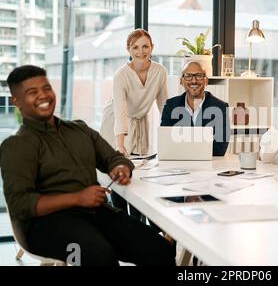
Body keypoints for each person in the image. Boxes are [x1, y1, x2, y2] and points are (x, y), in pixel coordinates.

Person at [0, 65, 175, 266]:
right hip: (47, 225)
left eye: (46, 88)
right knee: (100, 256)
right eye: (32, 92)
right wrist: (78, 198)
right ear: (16, 101)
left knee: (159, 249)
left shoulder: (79, 130)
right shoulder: (16, 145)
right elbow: (21, 205)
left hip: (95, 213)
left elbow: (113, 158)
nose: (43, 95)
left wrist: (121, 168)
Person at [100, 28, 168, 219]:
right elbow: (121, 111)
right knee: (119, 180)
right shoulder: (121, 75)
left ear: (152, 47)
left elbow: (163, 104)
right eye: (135, 47)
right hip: (116, 123)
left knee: (139, 180)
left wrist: (171, 135)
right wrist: (120, 143)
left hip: (140, 123)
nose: (141, 51)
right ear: (128, 50)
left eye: (145, 46)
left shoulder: (160, 71)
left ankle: (138, 227)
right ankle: (122, 226)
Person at [161, 61, 230, 156]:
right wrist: (204, 141)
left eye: (199, 76)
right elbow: (166, 143)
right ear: (181, 81)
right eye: (188, 76)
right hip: (178, 165)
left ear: (206, 81)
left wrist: (182, 141)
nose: (194, 81)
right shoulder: (171, 106)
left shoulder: (220, 107)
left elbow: (219, 149)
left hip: (209, 165)